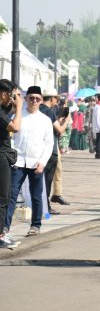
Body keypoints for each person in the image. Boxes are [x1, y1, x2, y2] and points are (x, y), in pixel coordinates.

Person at [4, 86, 54, 237]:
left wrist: (43, 162)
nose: (34, 101)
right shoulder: (19, 116)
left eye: (37, 98)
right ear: (26, 99)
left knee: (36, 195)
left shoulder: (45, 120)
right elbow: (9, 137)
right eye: (31, 98)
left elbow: (48, 143)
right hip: (18, 162)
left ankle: (35, 225)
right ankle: (5, 226)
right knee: (11, 195)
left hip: (36, 162)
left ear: (40, 101)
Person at [0, 80, 23, 248]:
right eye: (11, 95)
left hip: (4, 156)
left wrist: (16, 103)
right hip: (1, 157)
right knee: (3, 197)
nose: (13, 99)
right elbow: (15, 127)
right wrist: (21, 106)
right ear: (3, 94)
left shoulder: (3, 109)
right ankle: (1, 234)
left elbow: (11, 110)